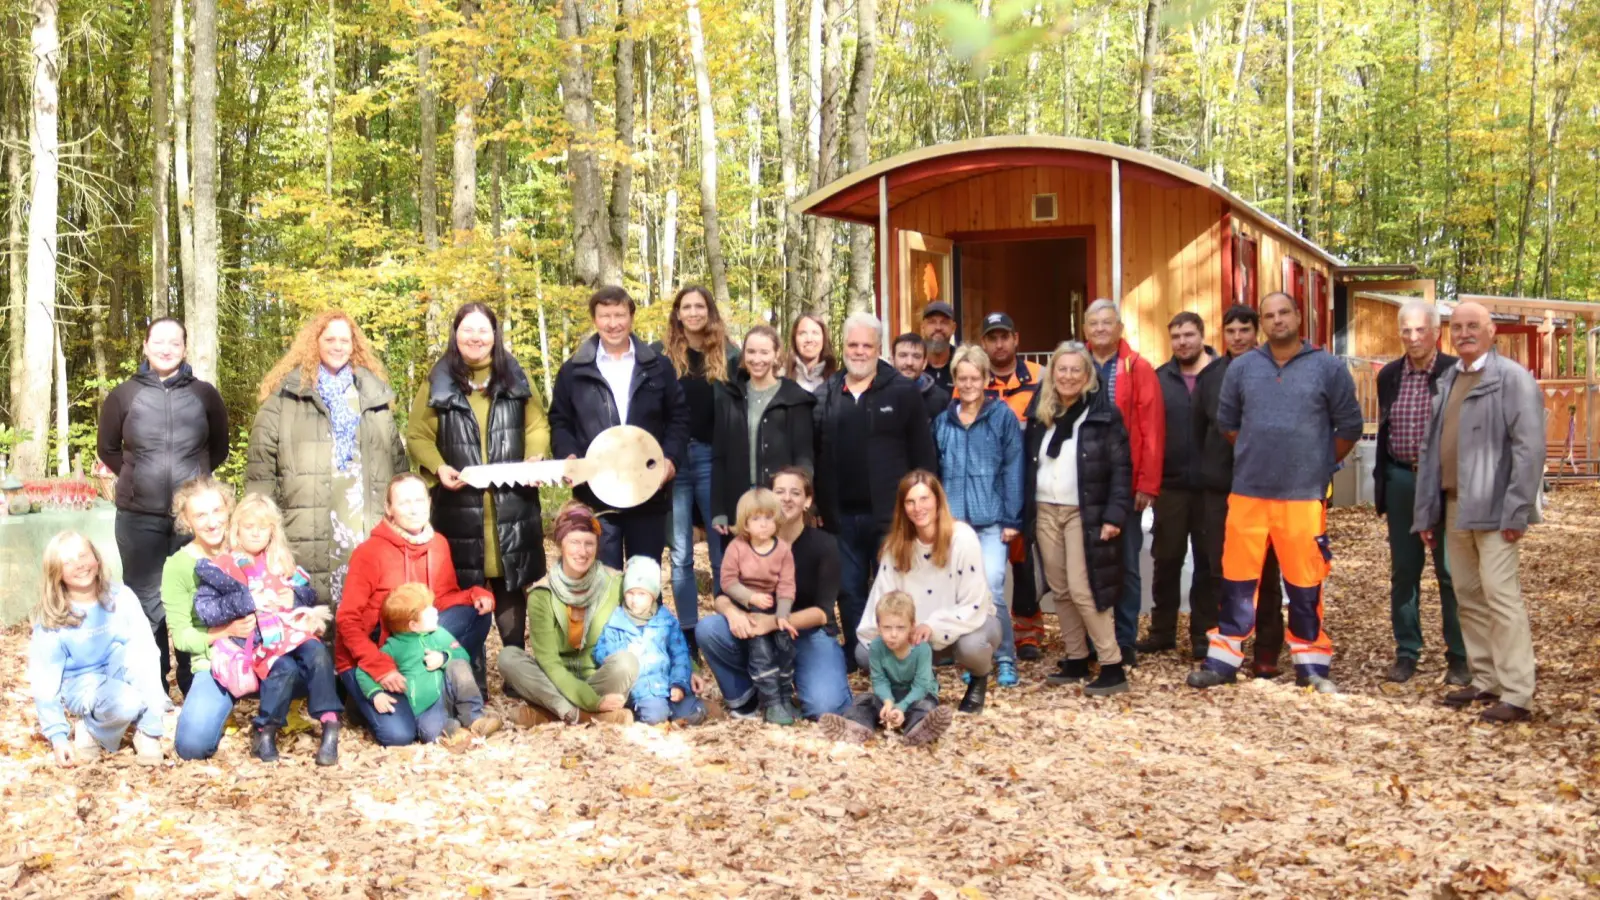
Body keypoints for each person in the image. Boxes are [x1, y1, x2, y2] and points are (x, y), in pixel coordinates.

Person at [1189, 292, 1362, 693]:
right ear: (1262, 323)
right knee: (1236, 581)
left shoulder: (1328, 367)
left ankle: (1311, 666)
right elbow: (1228, 424)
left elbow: (1350, 426)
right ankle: (1223, 661)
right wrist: (1258, 453)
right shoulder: (1243, 368)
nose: (1277, 320)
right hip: (1248, 493)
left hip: (1302, 496)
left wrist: (1319, 464)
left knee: (1305, 583)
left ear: (1299, 317)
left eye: (1284, 313)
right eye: (1269, 315)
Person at [1415, 302, 1544, 724]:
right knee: (1468, 595)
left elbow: (1529, 449)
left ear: (1492, 332)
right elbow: (1431, 450)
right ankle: (1486, 678)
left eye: (1474, 326)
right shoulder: (1450, 378)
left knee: (1501, 597)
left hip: (1495, 507)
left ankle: (1518, 693)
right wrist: (1426, 512)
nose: (1465, 333)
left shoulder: (1512, 379)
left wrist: (1517, 509)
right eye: (1457, 327)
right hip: (1455, 505)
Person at [407, 302, 550, 655]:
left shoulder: (516, 375)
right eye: (467, 329)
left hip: (512, 504)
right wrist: (438, 468)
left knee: (510, 584)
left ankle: (514, 664)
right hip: (457, 507)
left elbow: (537, 425)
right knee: (463, 593)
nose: (475, 337)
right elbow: (418, 435)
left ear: (494, 335)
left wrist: (534, 458)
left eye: (483, 330)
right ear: (455, 334)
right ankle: (469, 671)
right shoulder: (437, 380)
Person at [97, 316, 229, 696]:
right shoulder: (124, 395)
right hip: (138, 518)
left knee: (195, 595)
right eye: (159, 341)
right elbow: (107, 448)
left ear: (185, 349)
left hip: (192, 520)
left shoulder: (205, 395)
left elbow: (218, 447)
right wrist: (135, 478)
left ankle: (194, 681)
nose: (166, 349)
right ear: (145, 346)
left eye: (175, 342)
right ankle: (153, 685)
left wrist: (193, 487)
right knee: (146, 602)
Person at [248, 310, 408, 607]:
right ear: (315, 343)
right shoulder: (285, 398)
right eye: (330, 339)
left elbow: (397, 464)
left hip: (364, 523)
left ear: (354, 345)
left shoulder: (373, 397)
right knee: (315, 614)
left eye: (344, 340)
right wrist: (260, 528)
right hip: (308, 524)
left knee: (365, 610)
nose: (338, 346)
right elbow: (260, 472)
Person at [813, 312, 938, 669]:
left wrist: (924, 507)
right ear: (843, 346)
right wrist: (819, 505)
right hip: (840, 515)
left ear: (879, 348)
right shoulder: (827, 393)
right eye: (853, 344)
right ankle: (860, 653)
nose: (859, 351)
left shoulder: (902, 391)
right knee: (849, 589)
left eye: (867, 345)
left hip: (891, 515)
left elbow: (923, 454)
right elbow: (817, 454)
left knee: (896, 589)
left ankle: (902, 657)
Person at [337, 474, 495, 744]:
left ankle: (442, 691)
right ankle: (360, 702)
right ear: (389, 508)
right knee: (399, 735)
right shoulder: (369, 552)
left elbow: (441, 600)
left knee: (476, 613)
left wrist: (473, 594)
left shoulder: (438, 544)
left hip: (413, 644)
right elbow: (347, 620)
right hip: (372, 654)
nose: (413, 509)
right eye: (404, 502)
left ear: (429, 503)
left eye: (419, 501)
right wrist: (380, 668)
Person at [191, 493, 342, 764]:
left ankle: (330, 723)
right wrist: (249, 601)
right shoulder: (224, 567)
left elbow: (308, 594)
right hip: (259, 640)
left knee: (318, 653)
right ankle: (265, 731)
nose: (256, 533)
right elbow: (206, 609)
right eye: (249, 527)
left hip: (292, 633)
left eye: (263, 527)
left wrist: (294, 598)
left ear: (273, 531)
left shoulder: (279, 561)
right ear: (237, 529)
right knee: (283, 666)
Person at [697, 467, 853, 721]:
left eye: (795, 493)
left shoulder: (824, 545)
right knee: (709, 629)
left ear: (807, 501)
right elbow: (722, 592)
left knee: (825, 707)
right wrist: (733, 613)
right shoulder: (745, 542)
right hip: (756, 630)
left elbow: (823, 612)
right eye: (779, 492)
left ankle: (798, 685)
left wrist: (773, 622)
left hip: (805, 632)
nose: (786, 498)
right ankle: (749, 697)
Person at [548, 286, 687, 569]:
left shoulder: (658, 367)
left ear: (631, 317)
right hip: (595, 494)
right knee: (603, 579)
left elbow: (679, 418)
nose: (613, 323)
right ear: (595, 319)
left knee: (644, 579)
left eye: (620, 315)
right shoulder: (573, 371)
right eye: (605, 316)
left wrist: (670, 459)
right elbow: (560, 421)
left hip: (648, 491)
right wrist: (569, 455)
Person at [1024, 342, 1133, 697]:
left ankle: (1112, 664)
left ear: (1088, 376)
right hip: (1045, 509)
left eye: (1076, 370)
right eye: (1062, 369)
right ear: (1052, 373)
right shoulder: (1041, 412)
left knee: (1084, 589)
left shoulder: (1103, 415)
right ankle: (1076, 657)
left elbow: (1121, 468)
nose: (1068, 376)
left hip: (1083, 512)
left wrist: (1115, 514)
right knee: (1060, 589)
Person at [1375, 300, 1467, 686]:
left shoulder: (1454, 372)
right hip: (1401, 478)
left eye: (1420, 330)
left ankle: (1459, 655)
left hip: (1445, 484)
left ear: (1435, 333)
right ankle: (1407, 651)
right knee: (1404, 570)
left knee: (1450, 570)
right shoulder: (1389, 376)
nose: (1413, 338)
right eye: (1406, 330)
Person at [858, 471, 999, 714]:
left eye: (924, 499)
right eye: (910, 502)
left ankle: (979, 678)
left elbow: (974, 601)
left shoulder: (962, 538)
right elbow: (883, 598)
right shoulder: (896, 545)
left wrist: (933, 626)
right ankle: (922, 679)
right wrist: (897, 629)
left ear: (937, 501)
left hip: (964, 624)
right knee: (864, 653)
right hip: (911, 630)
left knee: (972, 647)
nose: (918, 508)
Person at [1195, 306, 1285, 677]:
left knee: (1266, 573)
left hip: (1266, 488)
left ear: (1256, 332)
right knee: (1222, 572)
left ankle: (1267, 652)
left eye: (1244, 330)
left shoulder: (1274, 369)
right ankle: (1227, 652)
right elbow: (1198, 430)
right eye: (1230, 331)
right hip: (1220, 488)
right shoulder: (1211, 376)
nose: (1237, 337)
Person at [29, 531, 166, 767]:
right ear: (56, 572)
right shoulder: (53, 617)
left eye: (83, 555)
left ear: (96, 558)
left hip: (118, 670)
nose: (79, 565)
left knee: (144, 657)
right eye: (68, 562)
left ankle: (147, 731)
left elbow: (147, 649)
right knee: (127, 701)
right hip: (81, 684)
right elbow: (45, 682)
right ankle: (91, 728)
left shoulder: (121, 596)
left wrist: (154, 714)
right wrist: (58, 736)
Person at [497, 501, 640, 726]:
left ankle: (551, 713)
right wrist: (592, 702)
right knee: (508, 658)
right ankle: (582, 714)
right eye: (574, 542)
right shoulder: (542, 593)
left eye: (589, 543)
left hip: (598, 676)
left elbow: (653, 623)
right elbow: (549, 662)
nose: (582, 552)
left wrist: (688, 671)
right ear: (560, 543)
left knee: (627, 663)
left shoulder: (615, 583)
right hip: (554, 679)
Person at [709, 324, 815, 623]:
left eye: (764, 352)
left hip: (779, 504)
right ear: (743, 355)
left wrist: (803, 501)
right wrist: (719, 509)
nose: (757, 359)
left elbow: (804, 457)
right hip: (740, 503)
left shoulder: (794, 399)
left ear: (777, 354)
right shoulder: (730, 396)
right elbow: (719, 456)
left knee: (781, 574)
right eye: (751, 352)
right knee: (739, 575)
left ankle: (784, 627)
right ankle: (741, 632)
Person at [931, 344, 1023, 687]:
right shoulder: (943, 422)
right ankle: (975, 657)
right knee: (964, 594)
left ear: (986, 379)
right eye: (962, 378)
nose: (968, 384)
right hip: (955, 524)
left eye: (975, 378)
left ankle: (1005, 656)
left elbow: (1013, 468)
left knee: (993, 589)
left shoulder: (1002, 417)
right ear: (955, 380)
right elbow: (936, 474)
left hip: (992, 521)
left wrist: (1012, 519)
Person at [657, 285, 740, 650]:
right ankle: (689, 633)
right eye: (686, 307)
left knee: (722, 547)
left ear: (709, 311)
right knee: (680, 554)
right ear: (678, 313)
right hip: (673, 460)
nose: (693, 312)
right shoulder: (660, 356)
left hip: (712, 457)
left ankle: (723, 625)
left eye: (699, 306)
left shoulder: (729, 355)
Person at [1083, 299, 1164, 667]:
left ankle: (1126, 638)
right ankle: (1092, 639)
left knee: (1127, 565)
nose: (1101, 329)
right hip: (1085, 483)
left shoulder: (1138, 367)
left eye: (1107, 323)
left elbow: (1152, 429)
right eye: (1094, 323)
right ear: (1085, 329)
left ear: (1119, 328)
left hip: (1125, 483)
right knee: (1087, 564)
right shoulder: (1075, 364)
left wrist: (1147, 483)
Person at [1142, 312, 1216, 658]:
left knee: (1207, 562)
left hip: (1211, 487)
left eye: (1188, 335)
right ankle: (1161, 631)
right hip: (1171, 485)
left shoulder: (1220, 374)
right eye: (1176, 337)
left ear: (1202, 335)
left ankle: (1204, 634)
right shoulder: (1160, 379)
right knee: (1166, 559)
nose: (1182, 342)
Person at [976, 312, 1046, 661]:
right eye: (992, 338)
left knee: (1024, 558)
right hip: (986, 484)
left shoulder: (1039, 377)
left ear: (1016, 339)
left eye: (1005, 336)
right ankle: (984, 632)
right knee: (986, 564)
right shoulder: (974, 378)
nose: (999, 344)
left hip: (1028, 480)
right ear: (984, 343)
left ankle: (1028, 631)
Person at [353, 583, 503, 743]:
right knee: (432, 730)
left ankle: (475, 718)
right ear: (413, 625)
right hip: (425, 709)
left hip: (448, 692)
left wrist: (444, 658)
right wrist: (376, 694)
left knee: (458, 665)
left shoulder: (439, 633)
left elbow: (462, 655)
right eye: (429, 610)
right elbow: (363, 671)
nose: (435, 611)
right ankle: (453, 731)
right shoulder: (393, 647)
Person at [818, 591, 954, 746]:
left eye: (901, 628)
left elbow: (921, 686)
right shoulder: (876, 647)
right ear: (878, 627)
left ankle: (919, 730)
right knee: (864, 701)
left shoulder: (922, 649)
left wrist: (901, 708)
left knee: (925, 706)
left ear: (912, 626)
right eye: (887, 628)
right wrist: (888, 702)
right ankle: (857, 727)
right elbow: (879, 680)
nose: (893, 634)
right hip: (891, 693)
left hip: (918, 695)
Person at [594, 556, 709, 726]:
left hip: (666, 683)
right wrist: (622, 655)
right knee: (656, 715)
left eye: (641, 594)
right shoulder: (616, 622)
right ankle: (646, 716)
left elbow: (680, 654)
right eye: (630, 593)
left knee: (696, 710)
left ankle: (672, 717)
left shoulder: (665, 620)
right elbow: (601, 651)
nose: (634, 600)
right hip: (640, 690)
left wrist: (679, 683)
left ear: (653, 596)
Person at [718, 487, 800, 724]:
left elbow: (786, 585)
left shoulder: (782, 550)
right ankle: (771, 702)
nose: (763, 524)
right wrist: (751, 597)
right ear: (745, 523)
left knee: (784, 648)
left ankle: (785, 697)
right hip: (748, 608)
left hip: (774, 608)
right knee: (762, 652)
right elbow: (727, 581)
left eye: (768, 518)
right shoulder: (737, 547)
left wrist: (782, 615)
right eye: (756, 519)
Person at [892, 332, 952, 421]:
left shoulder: (941, 399)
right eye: (903, 355)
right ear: (892, 359)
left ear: (924, 363)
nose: (909, 362)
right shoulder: (879, 395)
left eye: (916, 356)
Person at [785, 313, 838, 394]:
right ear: (794, 339)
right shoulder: (780, 379)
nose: (809, 339)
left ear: (824, 338)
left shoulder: (838, 382)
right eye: (802, 333)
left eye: (815, 333)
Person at [920, 301, 958, 391]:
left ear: (953, 328)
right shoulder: (914, 364)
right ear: (923, 327)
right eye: (932, 322)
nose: (938, 327)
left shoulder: (962, 363)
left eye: (944, 322)